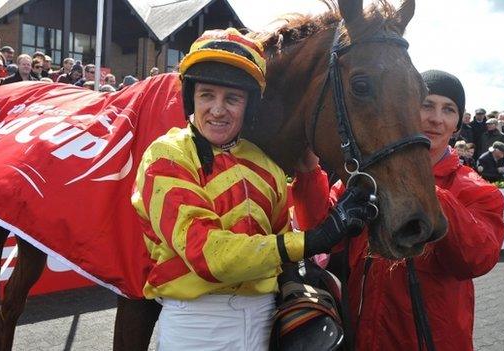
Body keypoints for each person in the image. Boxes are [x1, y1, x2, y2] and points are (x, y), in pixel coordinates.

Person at [129, 28, 374, 351]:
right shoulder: (166, 156)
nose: (218, 110)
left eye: (232, 98)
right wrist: (316, 238)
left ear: (249, 105)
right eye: (207, 95)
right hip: (196, 324)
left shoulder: (268, 168)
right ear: (191, 98)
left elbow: (281, 246)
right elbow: (209, 255)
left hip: (263, 319)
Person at [306, 69, 504, 351]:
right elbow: (316, 228)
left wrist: (423, 187)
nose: (436, 118)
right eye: (427, 105)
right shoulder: (366, 175)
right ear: (406, 108)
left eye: (448, 109)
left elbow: (477, 260)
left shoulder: (479, 191)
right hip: (360, 338)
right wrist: (308, 173)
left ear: (457, 124)